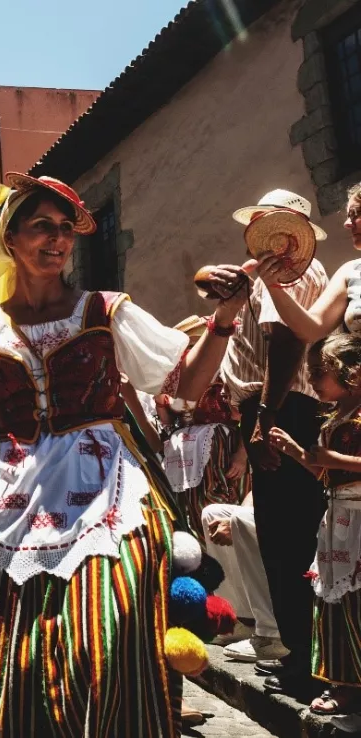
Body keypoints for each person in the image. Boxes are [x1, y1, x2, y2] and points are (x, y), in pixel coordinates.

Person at [0, 173, 244, 736]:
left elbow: (183, 384)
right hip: (17, 498)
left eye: (65, 229)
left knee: (107, 633)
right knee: (21, 652)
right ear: (11, 238)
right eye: (42, 226)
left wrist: (223, 320)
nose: (58, 239)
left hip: (106, 487)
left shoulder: (106, 310)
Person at [215, 189, 330, 697]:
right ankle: (299, 656)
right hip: (275, 409)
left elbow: (286, 342)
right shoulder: (272, 275)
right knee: (283, 539)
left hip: (283, 410)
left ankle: (304, 662)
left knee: (289, 541)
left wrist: (264, 418)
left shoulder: (291, 274)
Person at [269, 335, 361, 730]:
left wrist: (333, 458)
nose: (312, 380)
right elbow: (325, 471)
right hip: (337, 516)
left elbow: (336, 463)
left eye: (320, 372)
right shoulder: (335, 418)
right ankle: (343, 683)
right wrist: (294, 450)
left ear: (352, 374)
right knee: (335, 603)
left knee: (357, 600)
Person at [156, 317, 248, 543]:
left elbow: (247, 415)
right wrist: (162, 404)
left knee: (222, 498)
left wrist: (242, 455)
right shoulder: (178, 380)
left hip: (220, 447)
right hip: (185, 451)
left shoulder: (227, 375)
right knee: (190, 506)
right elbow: (174, 419)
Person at [256, 182, 361, 341]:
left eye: (355, 213)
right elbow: (312, 329)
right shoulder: (350, 271)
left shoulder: (302, 268)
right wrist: (273, 286)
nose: (346, 223)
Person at [202, 492, 287, 663]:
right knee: (212, 513)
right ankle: (241, 623)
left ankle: (274, 636)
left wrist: (237, 522)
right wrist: (235, 522)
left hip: (308, 511)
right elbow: (258, 489)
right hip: (276, 509)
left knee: (241, 519)